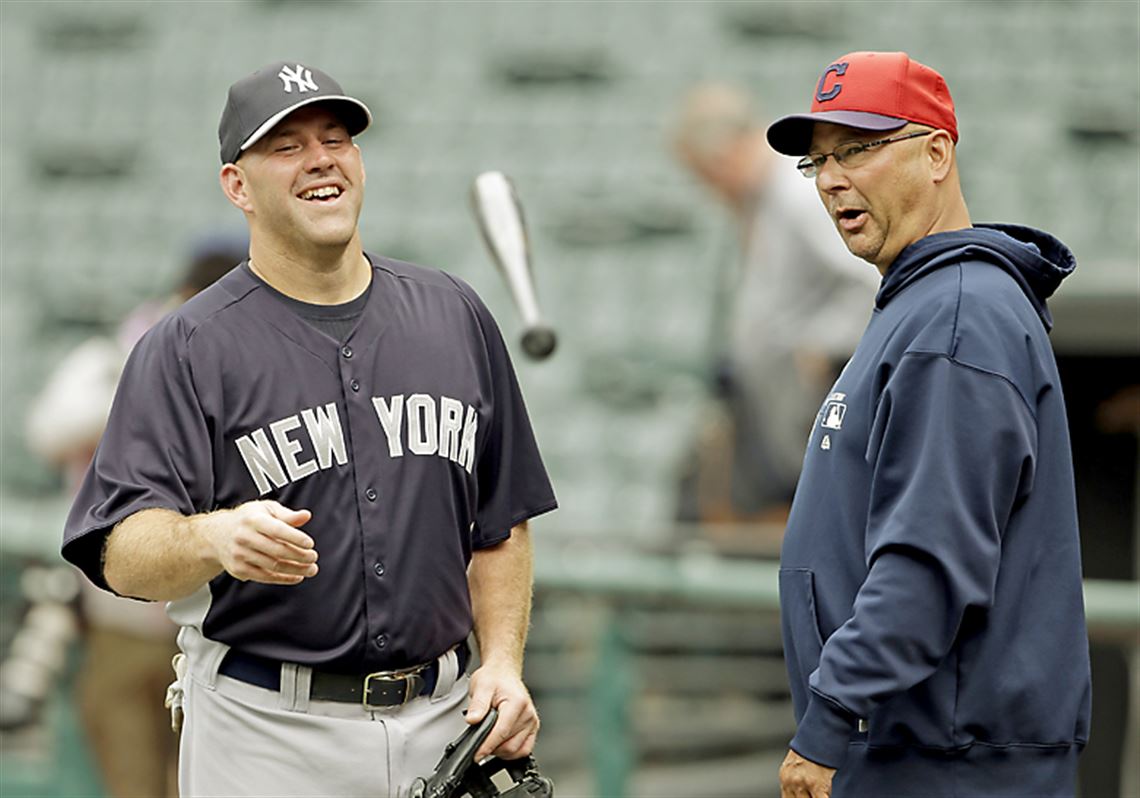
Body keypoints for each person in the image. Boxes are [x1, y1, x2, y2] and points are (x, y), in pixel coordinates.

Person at [60, 61, 557, 798]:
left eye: (337, 138)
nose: (322, 158)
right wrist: (211, 538)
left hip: (445, 719)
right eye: (286, 146)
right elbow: (119, 553)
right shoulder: (187, 346)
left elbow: (501, 523)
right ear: (237, 186)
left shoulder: (453, 314)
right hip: (265, 732)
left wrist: (503, 663)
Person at [765, 52, 1090, 797]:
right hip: (918, 749)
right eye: (818, 161)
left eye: (858, 149)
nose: (833, 179)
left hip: (950, 768)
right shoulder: (921, 302)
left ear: (937, 152)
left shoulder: (957, 316)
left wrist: (830, 717)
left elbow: (930, 558)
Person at [28, 235, 244, 798]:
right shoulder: (115, 357)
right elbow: (49, 431)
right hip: (121, 626)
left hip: (221, 629)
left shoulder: (252, 372)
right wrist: (154, 373)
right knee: (130, 783)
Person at [671, 84, 877, 528]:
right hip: (771, 401)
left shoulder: (798, 195)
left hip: (805, 399)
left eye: (707, 174)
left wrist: (822, 346)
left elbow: (868, 280)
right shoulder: (760, 204)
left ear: (725, 156)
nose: (711, 191)